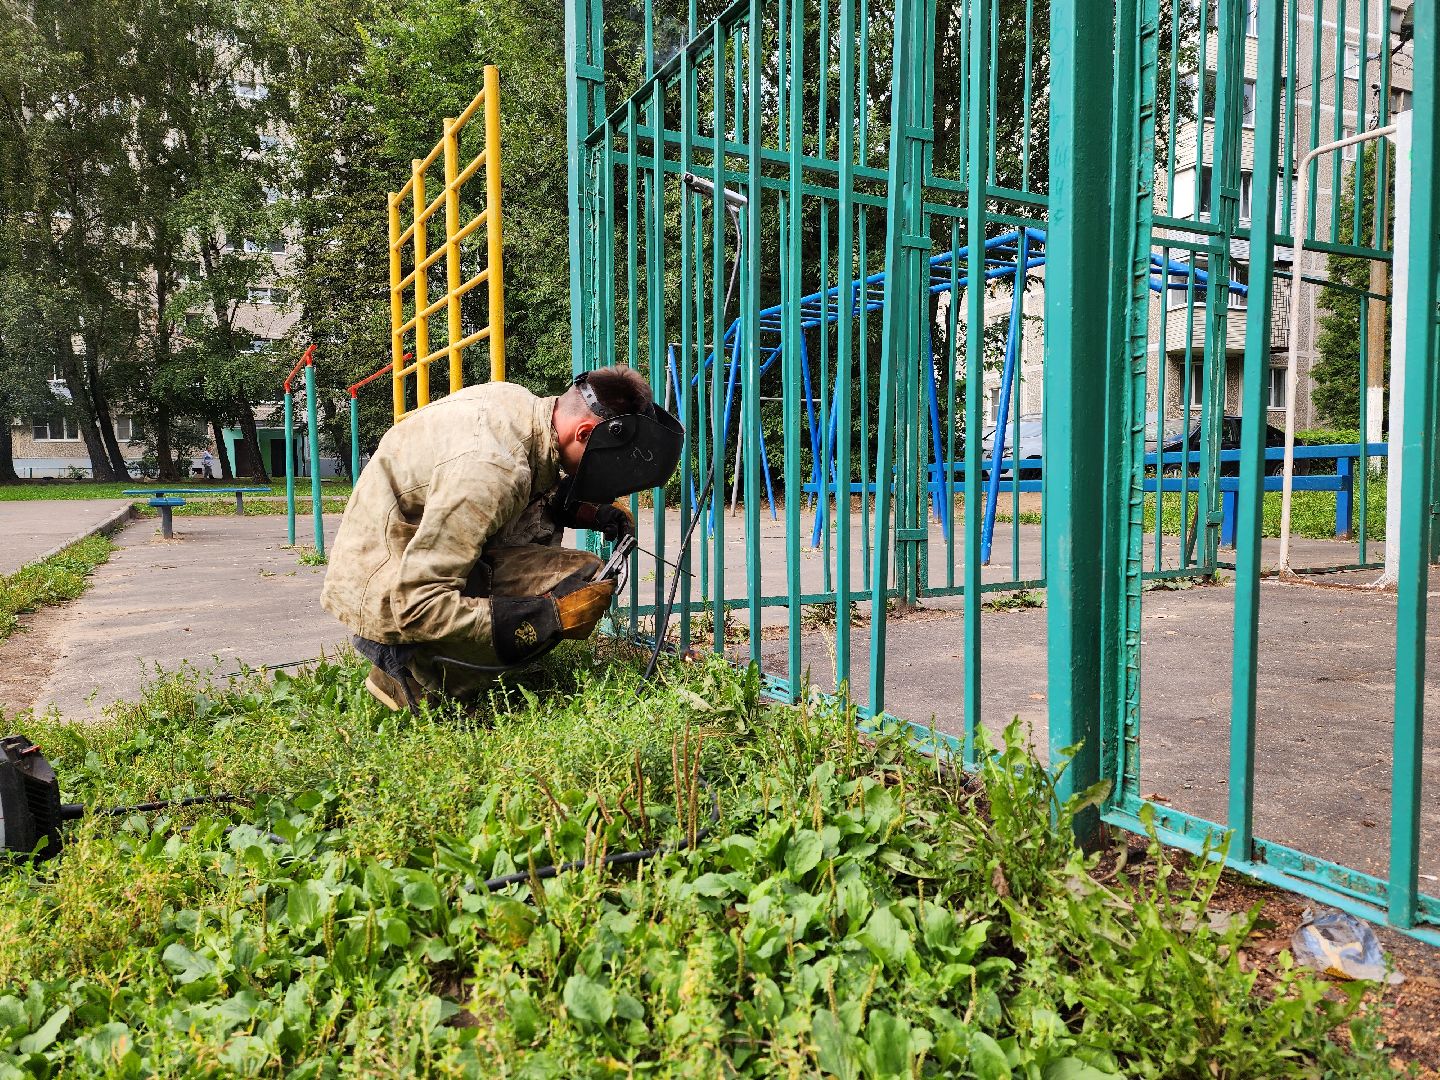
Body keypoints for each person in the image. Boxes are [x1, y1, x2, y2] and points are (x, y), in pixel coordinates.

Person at [320, 367, 683, 710]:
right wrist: (542, 617)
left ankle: (426, 663)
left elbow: (515, 497)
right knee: (574, 590)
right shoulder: (492, 467)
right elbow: (416, 604)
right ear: (585, 433)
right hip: (389, 584)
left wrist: (580, 510)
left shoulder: (520, 409)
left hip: (405, 551)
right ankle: (413, 676)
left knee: (579, 576)